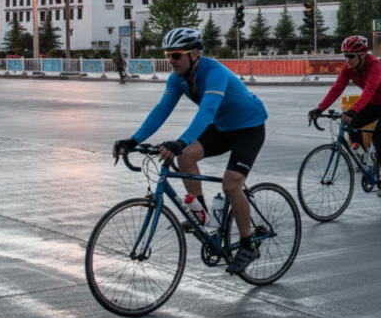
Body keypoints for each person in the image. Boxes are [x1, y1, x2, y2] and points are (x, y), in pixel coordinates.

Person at [113, 27, 269, 275]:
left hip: (249, 127)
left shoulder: (215, 73)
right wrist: (134, 139)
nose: (170, 61)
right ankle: (202, 215)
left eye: (176, 55)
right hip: (223, 127)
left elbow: (206, 111)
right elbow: (162, 110)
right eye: (167, 55)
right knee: (184, 157)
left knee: (231, 185)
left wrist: (181, 140)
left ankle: (248, 245)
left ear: (194, 54)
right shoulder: (177, 78)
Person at [309, 35, 381, 198]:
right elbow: (337, 88)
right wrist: (319, 109)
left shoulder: (374, 65)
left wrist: (353, 110)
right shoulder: (349, 68)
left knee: (378, 137)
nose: (347, 59)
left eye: (351, 55)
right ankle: (366, 159)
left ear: (362, 54)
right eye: (345, 55)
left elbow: (369, 90)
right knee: (350, 124)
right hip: (375, 103)